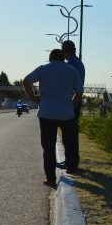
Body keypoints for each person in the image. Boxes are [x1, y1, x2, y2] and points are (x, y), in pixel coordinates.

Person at [23, 49, 83, 188]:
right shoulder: (72, 70)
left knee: (48, 147)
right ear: (63, 58)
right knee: (70, 142)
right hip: (67, 113)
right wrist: (71, 105)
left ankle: (50, 179)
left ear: (50, 58)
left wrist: (33, 97)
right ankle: (71, 167)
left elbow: (26, 81)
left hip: (46, 113)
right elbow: (79, 93)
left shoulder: (43, 69)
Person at [61, 40, 84, 169]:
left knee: (69, 133)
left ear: (65, 51)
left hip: (72, 101)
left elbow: (73, 86)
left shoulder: (71, 64)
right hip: (76, 100)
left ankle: (72, 160)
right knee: (72, 132)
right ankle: (73, 158)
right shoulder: (78, 63)